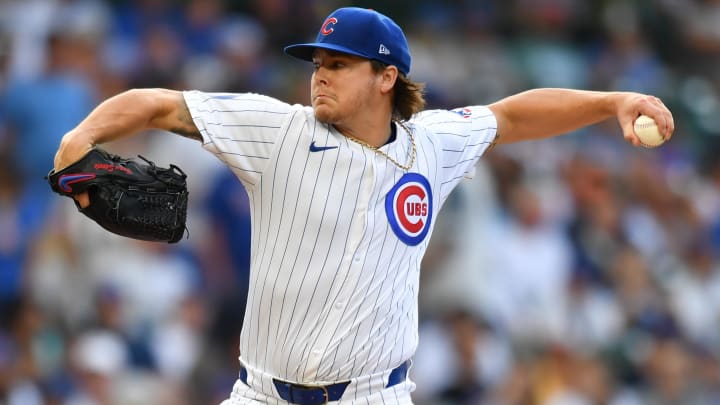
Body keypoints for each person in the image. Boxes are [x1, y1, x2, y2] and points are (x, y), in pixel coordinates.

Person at [52, 7, 674, 405]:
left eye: (339, 64)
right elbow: (159, 104)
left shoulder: (433, 144)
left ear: (386, 78)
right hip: (263, 394)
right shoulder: (279, 131)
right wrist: (80, 138)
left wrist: (612, 100)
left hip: (373, 396)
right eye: (317, 63)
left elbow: (513, 114)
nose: (319, 75)